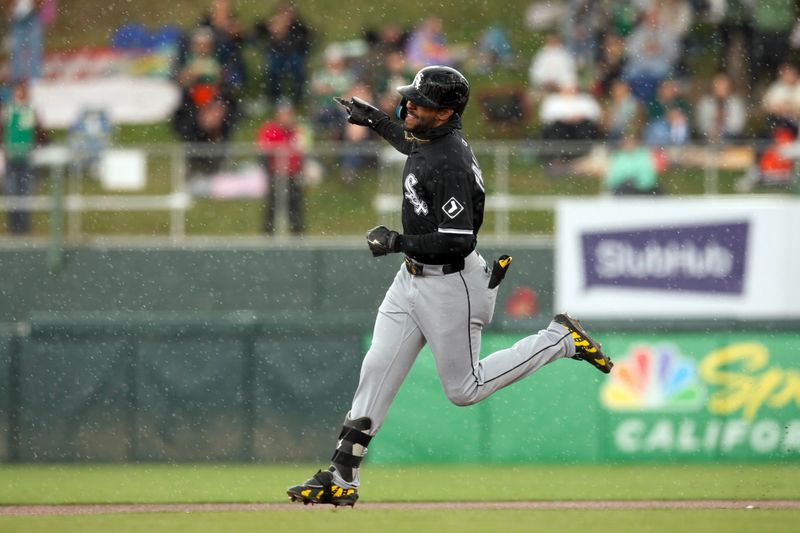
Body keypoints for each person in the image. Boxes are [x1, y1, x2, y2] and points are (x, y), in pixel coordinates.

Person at [286, 66, 614, 507]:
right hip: (412, 278)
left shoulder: (451, 161)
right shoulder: (432, 140)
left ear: (443, 114)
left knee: (465, 389)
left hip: (453, 282)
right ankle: (342, 478)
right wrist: (376, 120)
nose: (409, 106)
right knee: (376, 368)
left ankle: (558, 340)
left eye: (419, 103)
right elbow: (409, 142)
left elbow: (456, 239)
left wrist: (397, 240)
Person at [255, 100, 306, 235]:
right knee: (272, 206)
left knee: (294, 206)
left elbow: (301, 149)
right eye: (283, 114)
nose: (286, 117)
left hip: (292, 174)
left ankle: (297, 235)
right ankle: (268, 235)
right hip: (275, 174)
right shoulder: (270, 129)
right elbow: (263, 148)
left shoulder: (296, 130)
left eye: (288, 114)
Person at [252, 2, 311, 106]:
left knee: (297, 68)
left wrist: (284, 33)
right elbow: (256, 34)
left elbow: (303, 42)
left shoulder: (298, 27)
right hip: (276, 54)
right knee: (273, 69)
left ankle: (297, 98)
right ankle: (274, 97)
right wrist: (269, 27)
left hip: (294, 55)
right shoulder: (271, 24)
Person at [2, 81, 38, 234]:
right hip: (11, 156)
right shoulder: (9, 110)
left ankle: (23, 227)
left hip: (25, 156)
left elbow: (36, 131)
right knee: (12, 192)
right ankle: (13, 227)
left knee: (24, 192)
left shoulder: (30, 109)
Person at [695, 72, 747, 143]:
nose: (720, 89)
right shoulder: (705, 102)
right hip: (708, 141)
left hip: (732, 141)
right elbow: (701, 125)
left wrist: (725, 119)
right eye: (717, 85)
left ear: (729, 87)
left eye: (723, 86)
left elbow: (738, 126)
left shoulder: (735, 102)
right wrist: (713, 121)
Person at [604, 131, 660, 195]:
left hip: (643, 190)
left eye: (631, 140)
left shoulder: (644, 154)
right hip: (622, 190)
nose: (629, 144)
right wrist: (624, 180)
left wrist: (636, 181)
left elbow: (649, 177)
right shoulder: (616, 156)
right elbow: (612, 179)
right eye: (626, 141)